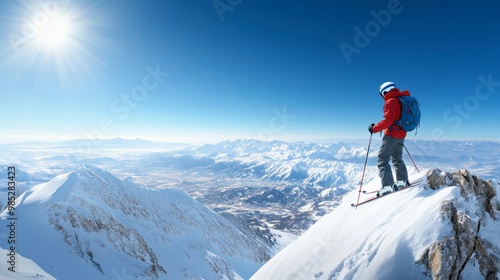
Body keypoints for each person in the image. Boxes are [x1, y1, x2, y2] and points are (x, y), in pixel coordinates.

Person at [368, 81, 410, 196]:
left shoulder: (390, 102)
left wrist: (374, 128)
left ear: (384, 92)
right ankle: (403, 180)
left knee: (382, 159)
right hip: (401, 134)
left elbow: (388, 121)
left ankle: (387, 186)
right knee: (397, 158)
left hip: (391, 135)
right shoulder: (402, 99)